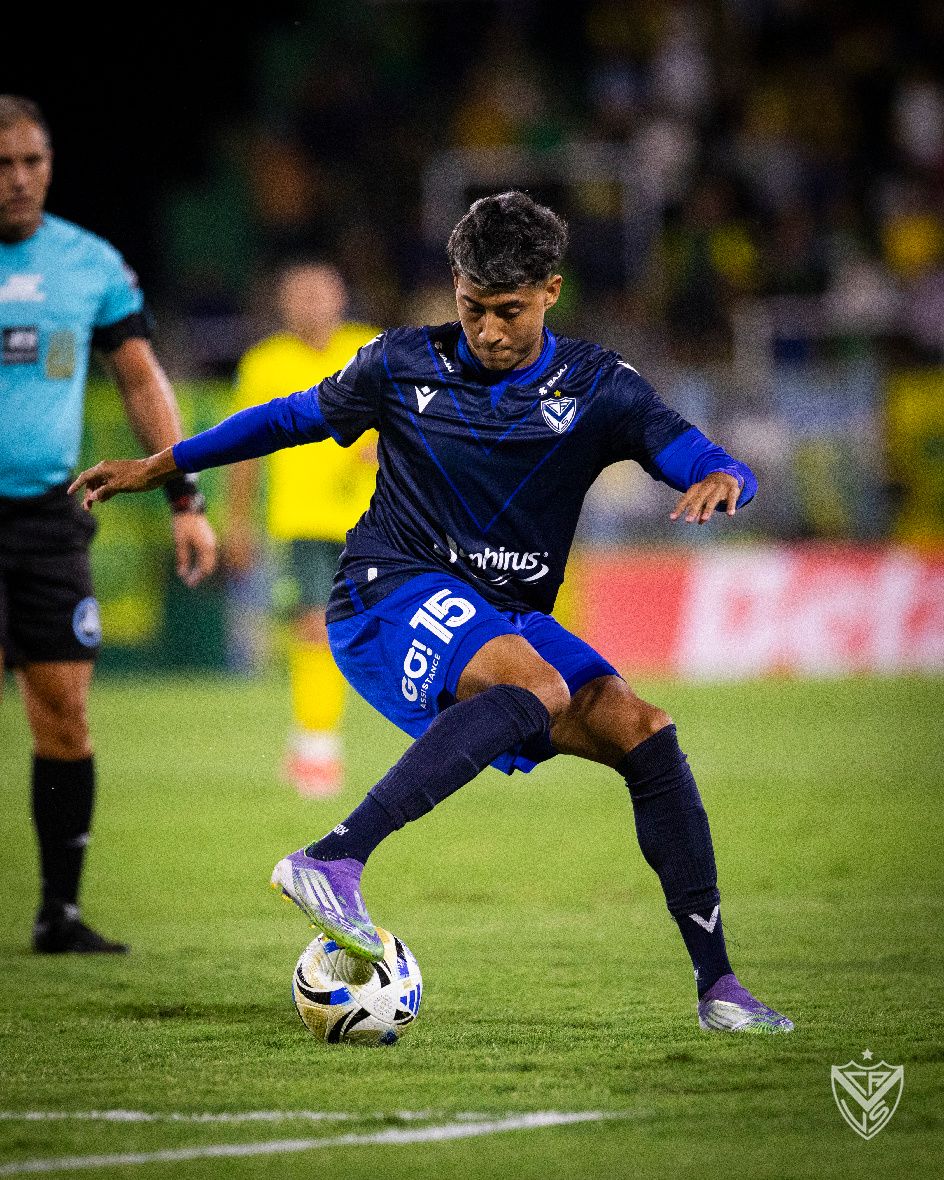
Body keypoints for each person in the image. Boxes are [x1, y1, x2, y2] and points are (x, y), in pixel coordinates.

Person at [71, 190, 793, 1032]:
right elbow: (287, 419)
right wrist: (160, 466)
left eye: (509, 311)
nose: (488, 330)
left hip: (504, 613)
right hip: (385, 591)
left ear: (551, 291)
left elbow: (700, 454)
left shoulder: (599, 386)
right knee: (535, 685)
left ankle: (720, 989)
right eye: (472, 307)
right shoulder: (401, 362)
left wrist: (723, 477)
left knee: (645, 729)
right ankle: (333, 858)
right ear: (455, 287)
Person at [0, 95, 217, 954]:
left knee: (64, 714)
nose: (19, 179)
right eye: (2, 164)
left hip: (49, 521)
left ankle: (59, 913)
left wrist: (184, 500)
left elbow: (140, 380)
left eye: (33, 162)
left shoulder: (88, 264)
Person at [225, 259, 379, 796]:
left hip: (376, 521)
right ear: (284, 304)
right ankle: (318, 748)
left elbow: (414, 416)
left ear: (341, 298)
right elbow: (244, 449)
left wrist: (387, 445)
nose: (312, 304)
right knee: (316, 625)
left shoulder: (369, 350)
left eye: (321, 293)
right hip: (301, 522)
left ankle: (310, 742)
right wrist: (237, 522)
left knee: (364, 631)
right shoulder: (264, 363)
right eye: (300, 295)